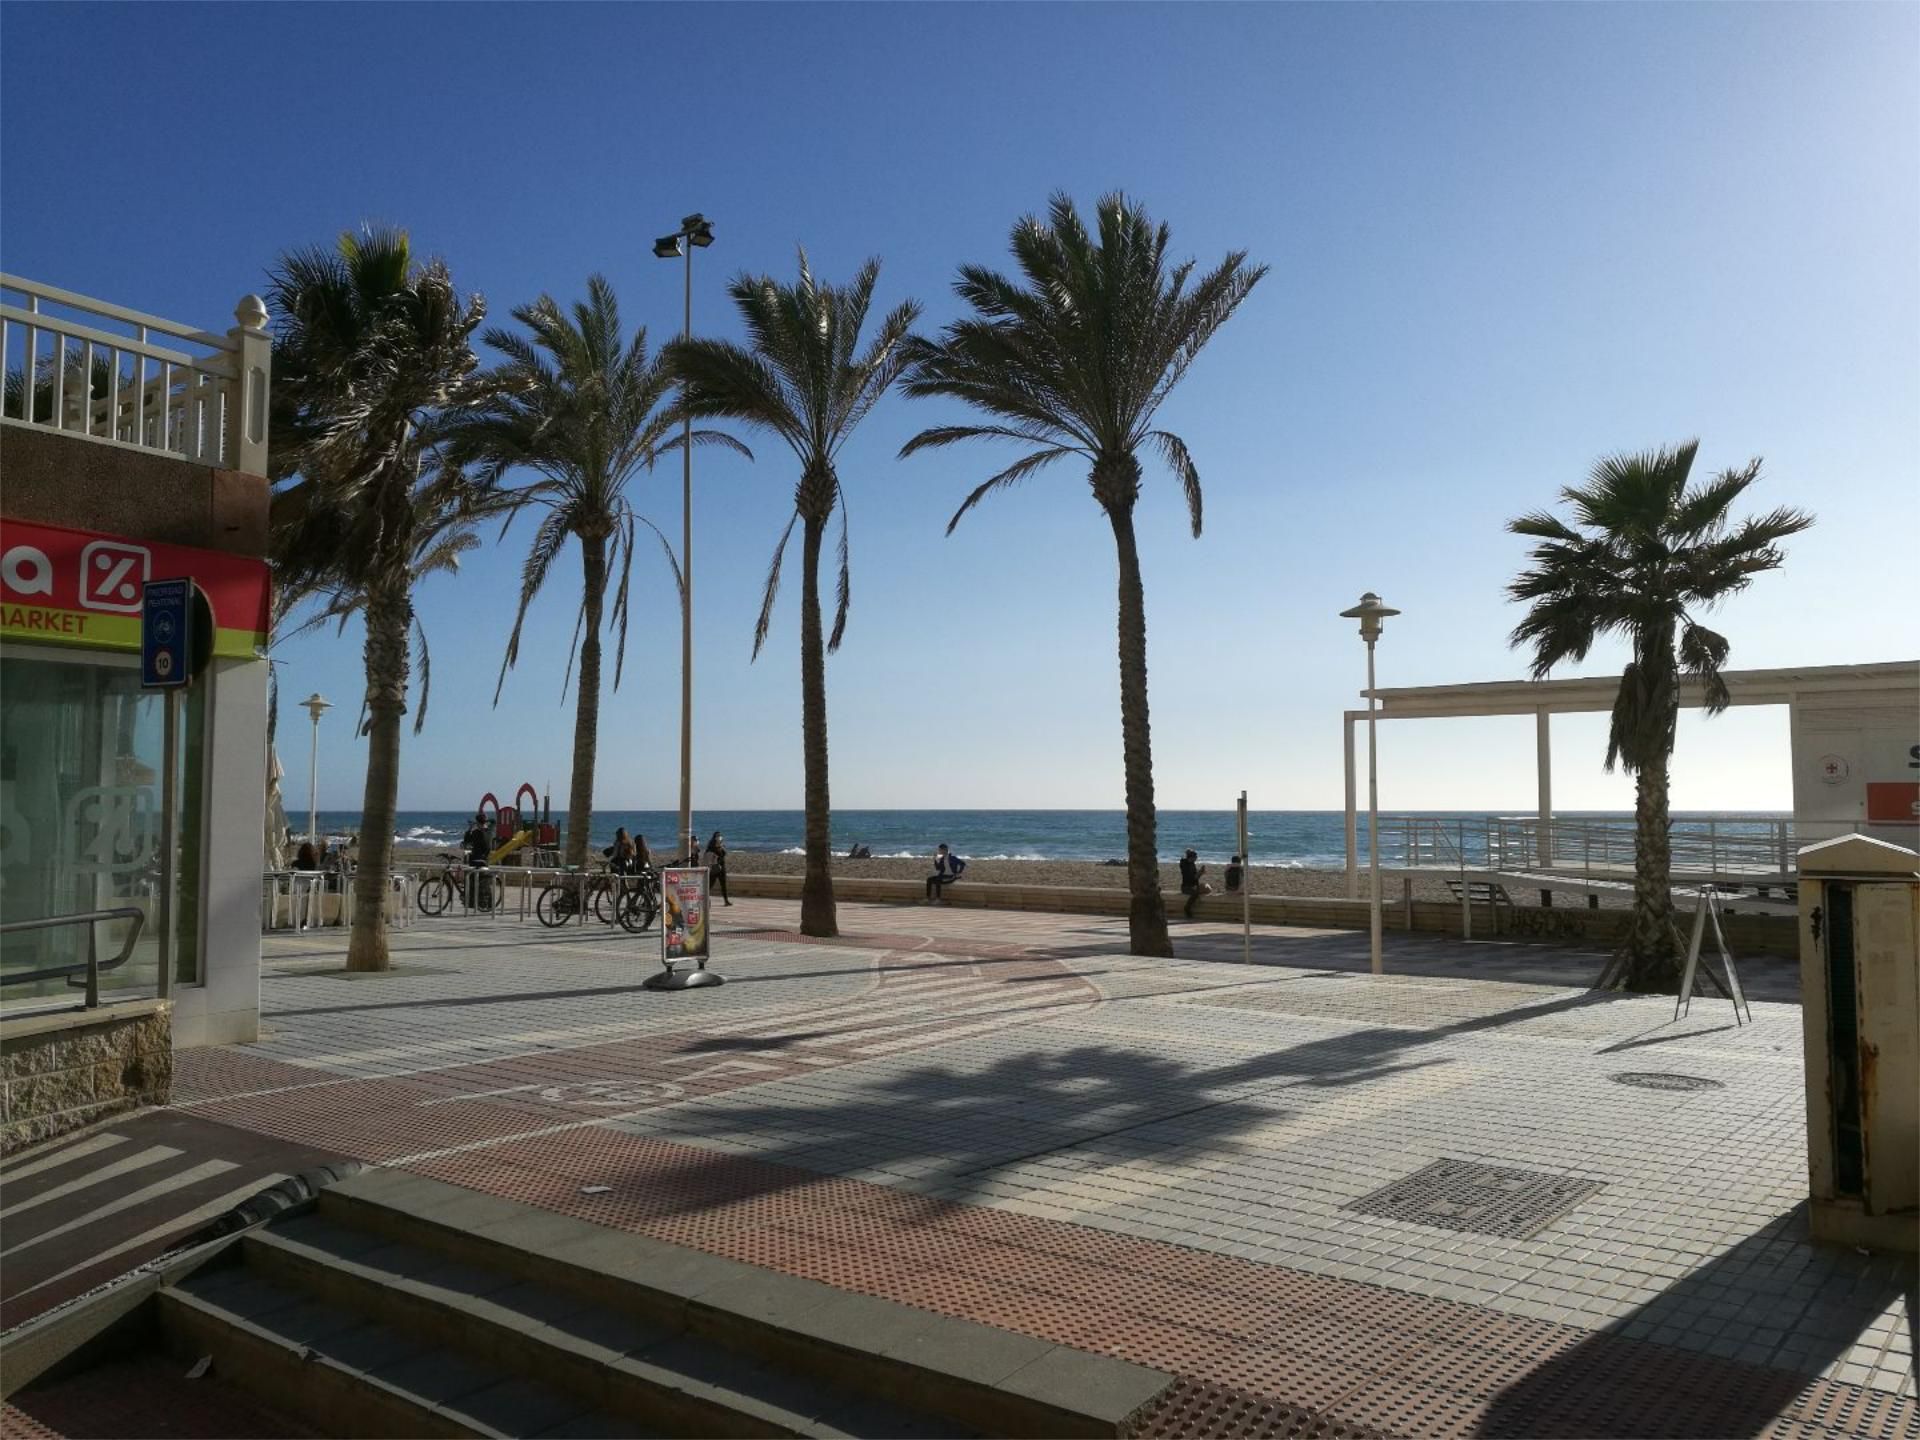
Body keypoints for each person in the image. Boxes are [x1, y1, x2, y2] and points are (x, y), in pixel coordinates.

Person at [1179, 848, 1214, 919]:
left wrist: (1200, 873)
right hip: (1186, 887)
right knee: (1195, 893)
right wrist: (1200, 872)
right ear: (1191, 857)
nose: (1196, 859)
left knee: (1207, 889)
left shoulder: (1192, 864)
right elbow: (1192, 878)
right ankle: (1187, 908)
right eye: (1195, 857)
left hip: (1193, 885)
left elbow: (1196, 878)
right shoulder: (1185, 865)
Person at [705, 830, 732, 906]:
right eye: (717, 836)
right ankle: (704, 898)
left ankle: (726, 901)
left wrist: (721, 846)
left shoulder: (721, 846)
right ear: (714, 838)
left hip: (722, 868)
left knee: (723, 885)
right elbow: (707, 856)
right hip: (715, 868)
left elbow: (724, 854)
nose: (719, 837)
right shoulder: (711, 847)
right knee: (710, 885)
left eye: (720, 836)